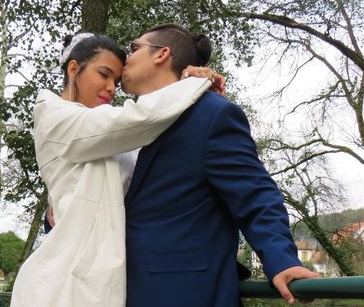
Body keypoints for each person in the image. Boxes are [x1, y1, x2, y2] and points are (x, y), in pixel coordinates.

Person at [11, 33, 222, 307]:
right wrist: (192, 83)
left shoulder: (110, 136)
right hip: (59, 288)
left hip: (104, 285)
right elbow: (142, 118)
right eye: (104, 74)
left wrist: (186, 86)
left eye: (117, 81)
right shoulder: (54, 116)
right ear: (73, 68)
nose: (111, 87)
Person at [121, 24, 320, 307]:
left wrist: (281, 259)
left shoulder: (211, 115)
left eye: (134, 48)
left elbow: (256, 194)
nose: (125, 57)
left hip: (186, 293)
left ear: (162, 54)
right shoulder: (121, 128)